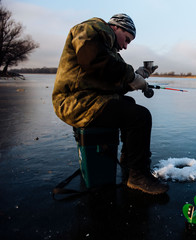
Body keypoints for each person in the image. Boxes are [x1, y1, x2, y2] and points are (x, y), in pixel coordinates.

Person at [52, 14, 169, 195]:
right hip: (73, 101)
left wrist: (138, 79)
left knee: (128, 104)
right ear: (116, 27)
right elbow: (94, 62)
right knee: (141, 116)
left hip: (88, 99)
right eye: (127, 39)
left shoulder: (109, 49)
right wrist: (131, 76)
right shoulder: (91, 29)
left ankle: (129, 165)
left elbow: (115, 83)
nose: (125, 46)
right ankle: (137, 176)